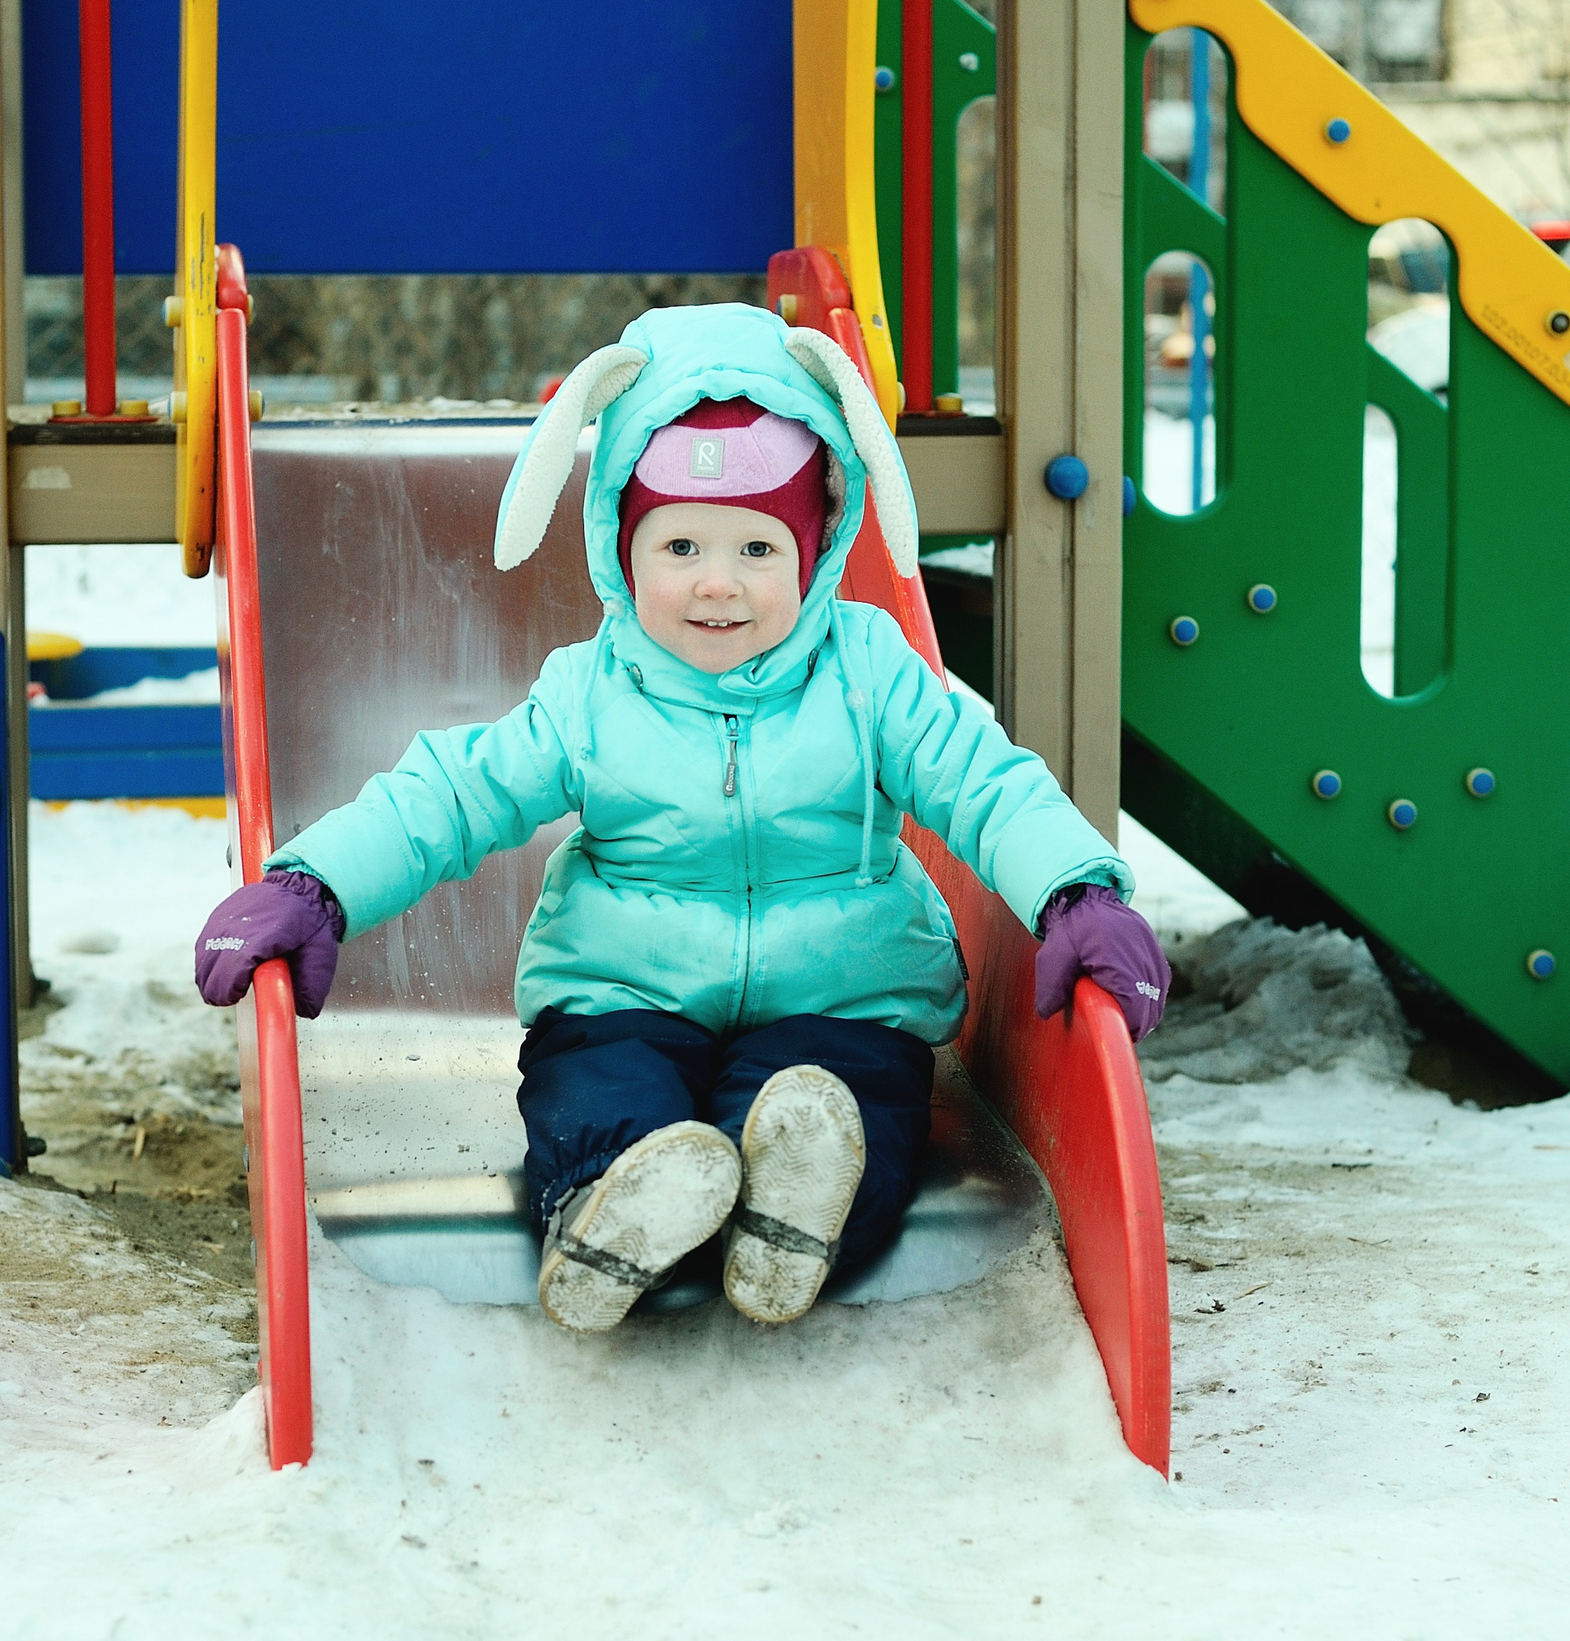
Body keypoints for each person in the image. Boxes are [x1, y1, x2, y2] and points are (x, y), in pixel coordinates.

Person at [193, 302, 1166, 1334]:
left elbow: (984, 781)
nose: (717, 582)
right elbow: (450, 794)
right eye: (681, 544)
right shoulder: (590, 693)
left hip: (841, 994)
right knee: (598, 1085)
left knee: (837, 1104)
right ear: (621, 546)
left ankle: (792, 1214)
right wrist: (315, 883)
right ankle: (614, 1202)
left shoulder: (872, 672)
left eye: (757, 547)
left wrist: (1073, 888)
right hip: (626, 987)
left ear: (818, 549)